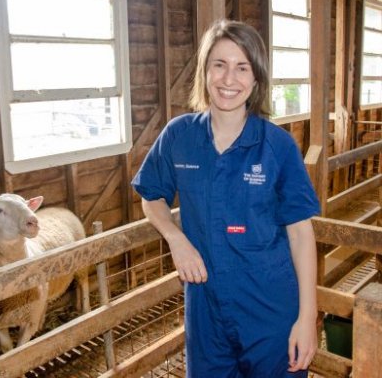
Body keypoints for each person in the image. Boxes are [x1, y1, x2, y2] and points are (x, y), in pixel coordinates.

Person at [132, 19, 320, 378]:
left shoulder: (277, 145)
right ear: (205, 72)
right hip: (205, 307)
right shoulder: (179, 135)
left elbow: (300, 233)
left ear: (257, 78)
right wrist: (176, 239)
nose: (229, 79)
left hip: (270, 306)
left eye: (242, 67)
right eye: (219, 65)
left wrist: (307, 317)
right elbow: (151, 196)